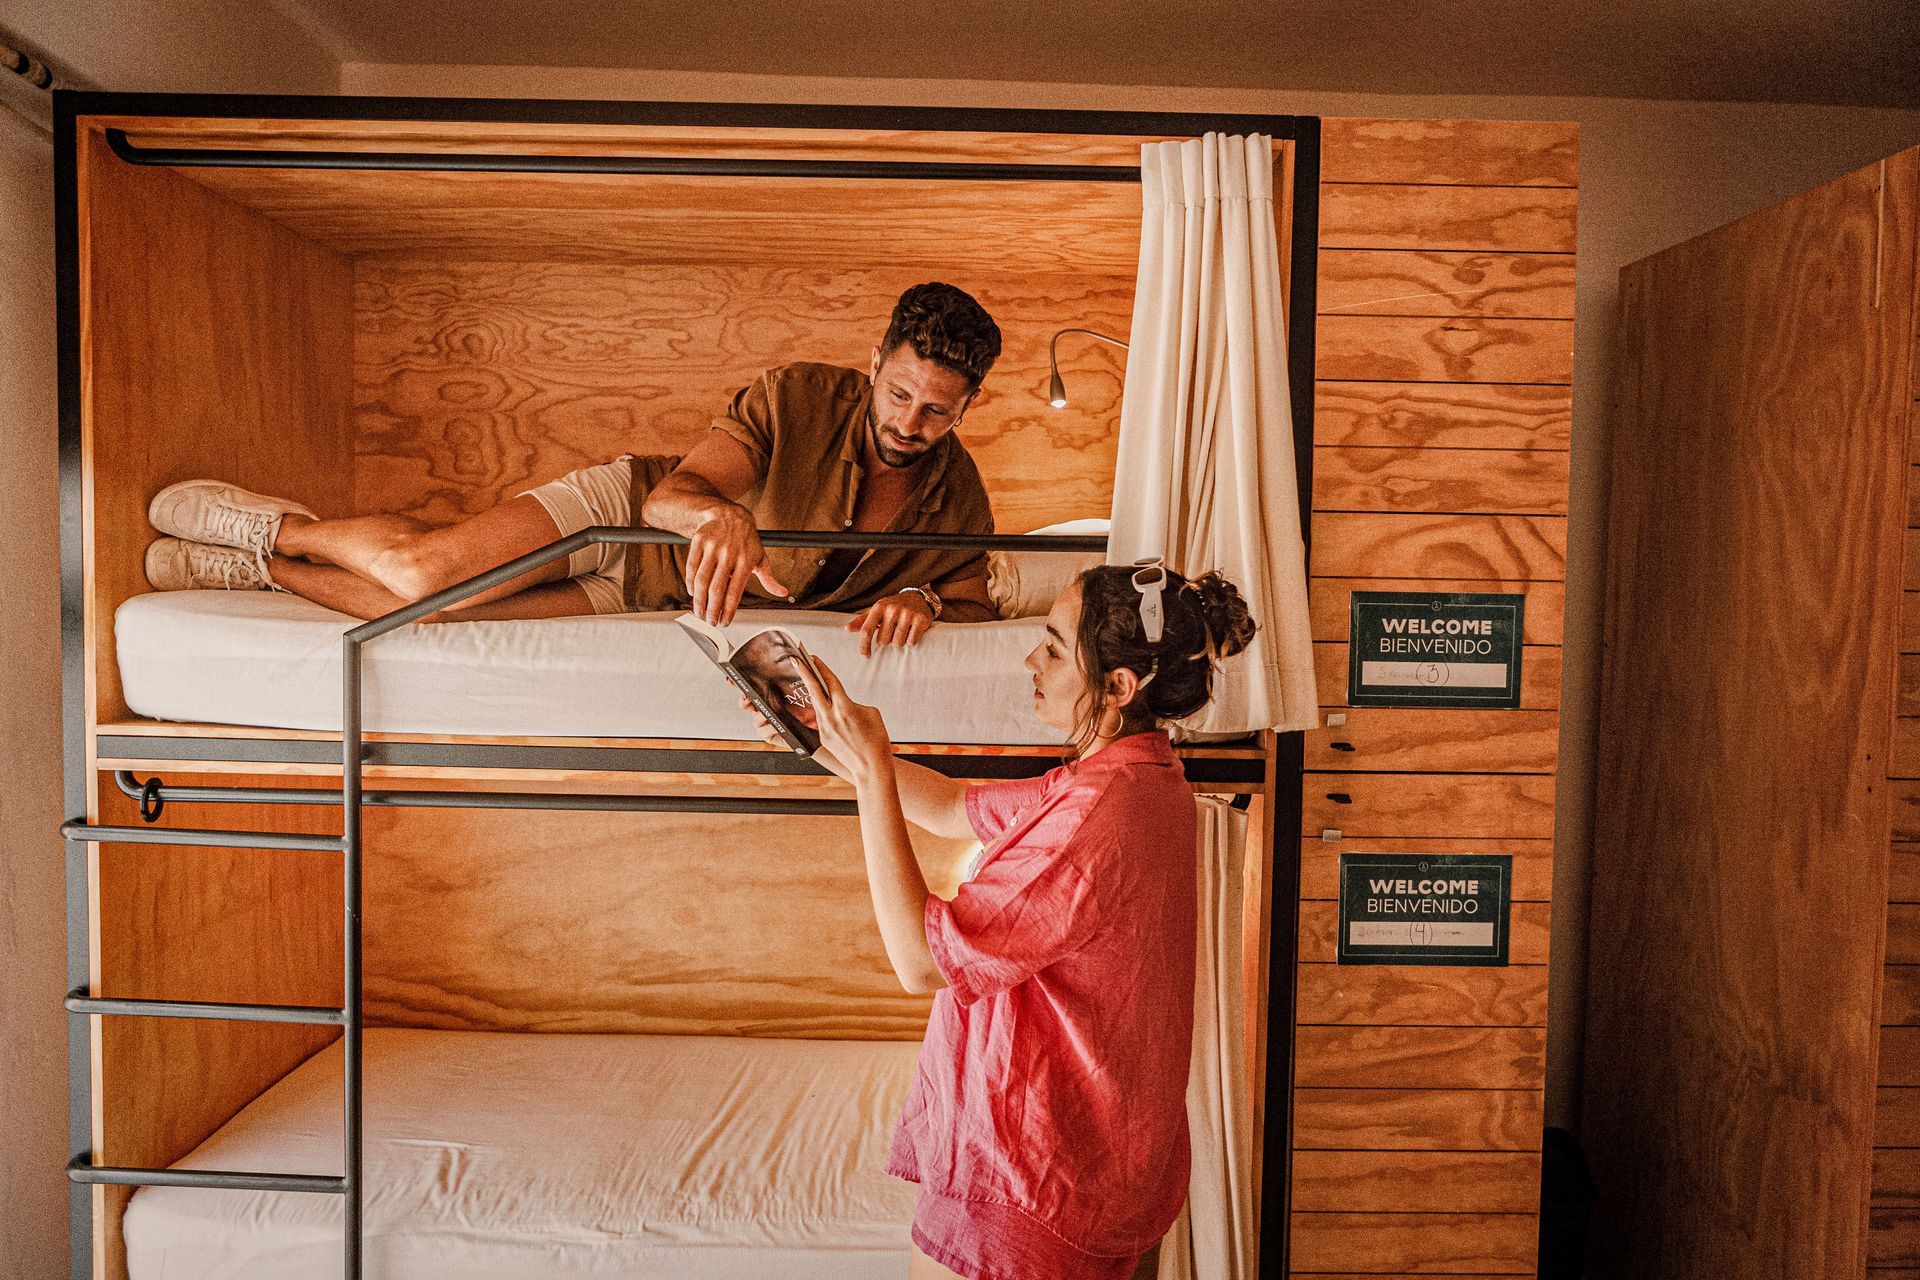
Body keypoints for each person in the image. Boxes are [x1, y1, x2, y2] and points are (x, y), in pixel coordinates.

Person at [740, 558, 1258, 1280]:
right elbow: (956, 810)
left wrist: (869, 777)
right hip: (1090, 1174)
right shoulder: (1134, 774)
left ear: (1117, 686)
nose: (1029, 658)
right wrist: (827, 740)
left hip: (1029, 1187)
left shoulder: (1094, 817)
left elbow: (919, 961)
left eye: (1051, 646)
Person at [141, 283, 1004, 652]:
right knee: (423, 569)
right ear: (875, 364)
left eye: (936, 409)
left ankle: (254, 569)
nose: (909, 422)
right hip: (618, 514)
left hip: (647, 590)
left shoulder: (957, 495)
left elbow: (969, 596)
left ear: (968, 406)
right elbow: (676, 494)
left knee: (438, 617)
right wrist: (719, 518)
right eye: (898, 394)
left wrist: (919, 598)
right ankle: (277, 525)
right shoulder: (799, 396)